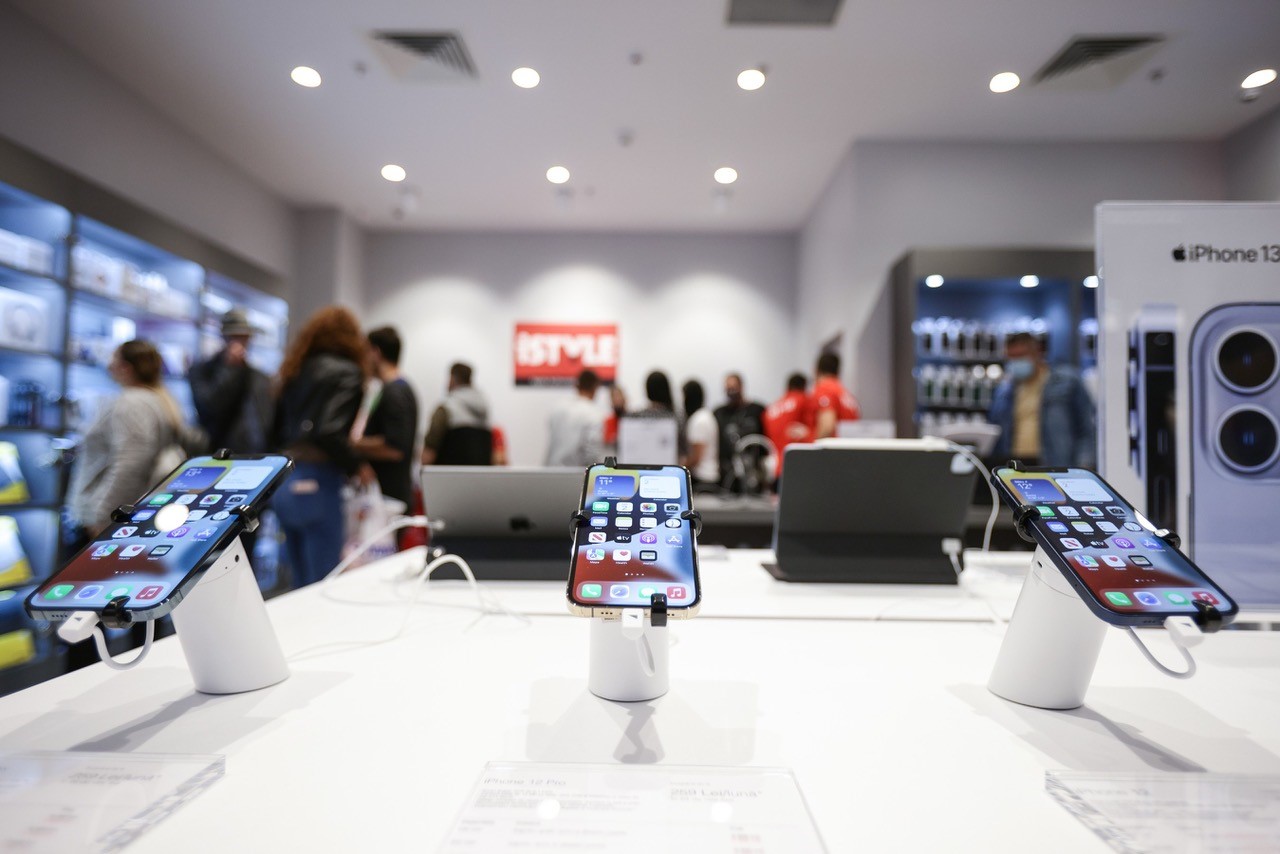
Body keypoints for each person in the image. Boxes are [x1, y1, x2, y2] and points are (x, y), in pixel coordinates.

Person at [67, 340, 205, 551]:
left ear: (126, 367)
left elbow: (130, 463)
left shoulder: (132, 403)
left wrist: (104, 516)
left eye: (113, 359)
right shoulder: (159, 399)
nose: (109, 366)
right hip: (130, 512)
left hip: (109, 517)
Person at [271, 306, 365, 587]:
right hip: (319, 485)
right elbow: (330, 432)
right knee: (323, 584)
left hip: (285, 484)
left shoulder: (293, 369)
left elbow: (274, 432)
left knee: (295, 584)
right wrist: (357, 465)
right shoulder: (348, 373)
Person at [988, 332, 1096, 468]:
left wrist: (1083, 466)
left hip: (1055, 466)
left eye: (1021, 356)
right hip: (1015, 468)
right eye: (1011, 357)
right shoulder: (1004, 391)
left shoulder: (1066, 382)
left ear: (1037, 352)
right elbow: (995, 432)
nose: (1015, 362)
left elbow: (1086, 429)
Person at [354, 327, 419, 531]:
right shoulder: (391, 389)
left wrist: (354, 445)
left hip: (389, 500)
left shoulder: (395, 392)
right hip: (386, 497)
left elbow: (395, 447)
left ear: (376, 352)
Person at [188, 308, 273, 455]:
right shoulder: (203, 371)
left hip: (255, 455)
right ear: (224, 337)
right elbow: (210, 406)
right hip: (218, 454)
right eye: (234, 336)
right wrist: (229, 369)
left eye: (243, 337)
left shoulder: (259, 376)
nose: (240, 342)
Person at [421, 362, 491, 465]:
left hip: (448, 477)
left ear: (452, 379)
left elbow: (428, 454)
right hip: (478, 478)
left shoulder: (446, 408)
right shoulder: (484, 412)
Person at [713, 373, 766, 491]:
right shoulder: (719, 413)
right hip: (727, 475)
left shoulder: (757, 410)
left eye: (734, 388)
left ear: (741, 387)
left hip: (753, 472)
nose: (731, 392)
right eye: (728, 389)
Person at [545, 369, 606, 467]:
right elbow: (592, 453)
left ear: (577, 385)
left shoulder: (558, 408)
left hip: (551, 471)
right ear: (595, 387)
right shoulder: (593, 414)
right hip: (576, 475)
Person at [763, 373, 813, 480]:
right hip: (798, 466)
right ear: (804, 387)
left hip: (775, 468)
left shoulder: (771, 408)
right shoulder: (804, 400)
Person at [808, 352, 860, 440]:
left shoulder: (824, 389)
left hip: (833, 450)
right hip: (848, 448)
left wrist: (811, 447)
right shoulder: (845, 393)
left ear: (816, 371)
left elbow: (827, 427)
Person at [682, 379, 719, 490]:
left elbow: (696, 457)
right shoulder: (706, 416)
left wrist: (679, 468)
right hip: (710, 476)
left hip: (703, 478)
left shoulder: (699, 420)